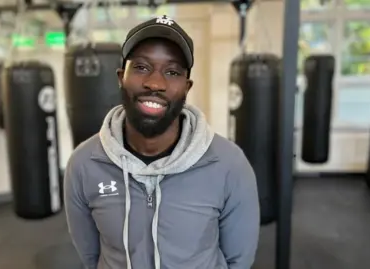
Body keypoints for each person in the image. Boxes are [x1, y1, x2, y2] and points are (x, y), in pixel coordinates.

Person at [64, 14, 260, 269]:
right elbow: (91, 256)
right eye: (142, 67)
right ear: (121, 76)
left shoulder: (229, 165)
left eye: (172, 71)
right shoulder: (83, 164)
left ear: (187, 87)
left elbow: (239, 260)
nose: (155, 83)